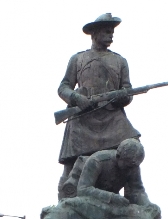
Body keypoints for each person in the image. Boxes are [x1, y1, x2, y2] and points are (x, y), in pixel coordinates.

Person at [57, 13, 140, 199]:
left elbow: (127, 89)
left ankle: (134, 193)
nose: (111, 35)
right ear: (95, 33)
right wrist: (76, 98)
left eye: (112, 32)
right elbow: (63, 87)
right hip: (83, 116)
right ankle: (65, 199)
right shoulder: (78, 59)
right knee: (70, 165)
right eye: (107, 31)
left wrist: (122, 97)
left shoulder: (120, 61)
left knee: (132, 145)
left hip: (111, 117)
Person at [42, 139, 161, 219]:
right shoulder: (97, 160)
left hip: (115, 207)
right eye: (127, 164)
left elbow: (137, 191)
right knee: (68, 207)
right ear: (119, 156)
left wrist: (148, 206)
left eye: (133, 166)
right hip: (90, 202)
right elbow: (83, 189)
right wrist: (111, 197)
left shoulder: (133, 167)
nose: (129, 169)